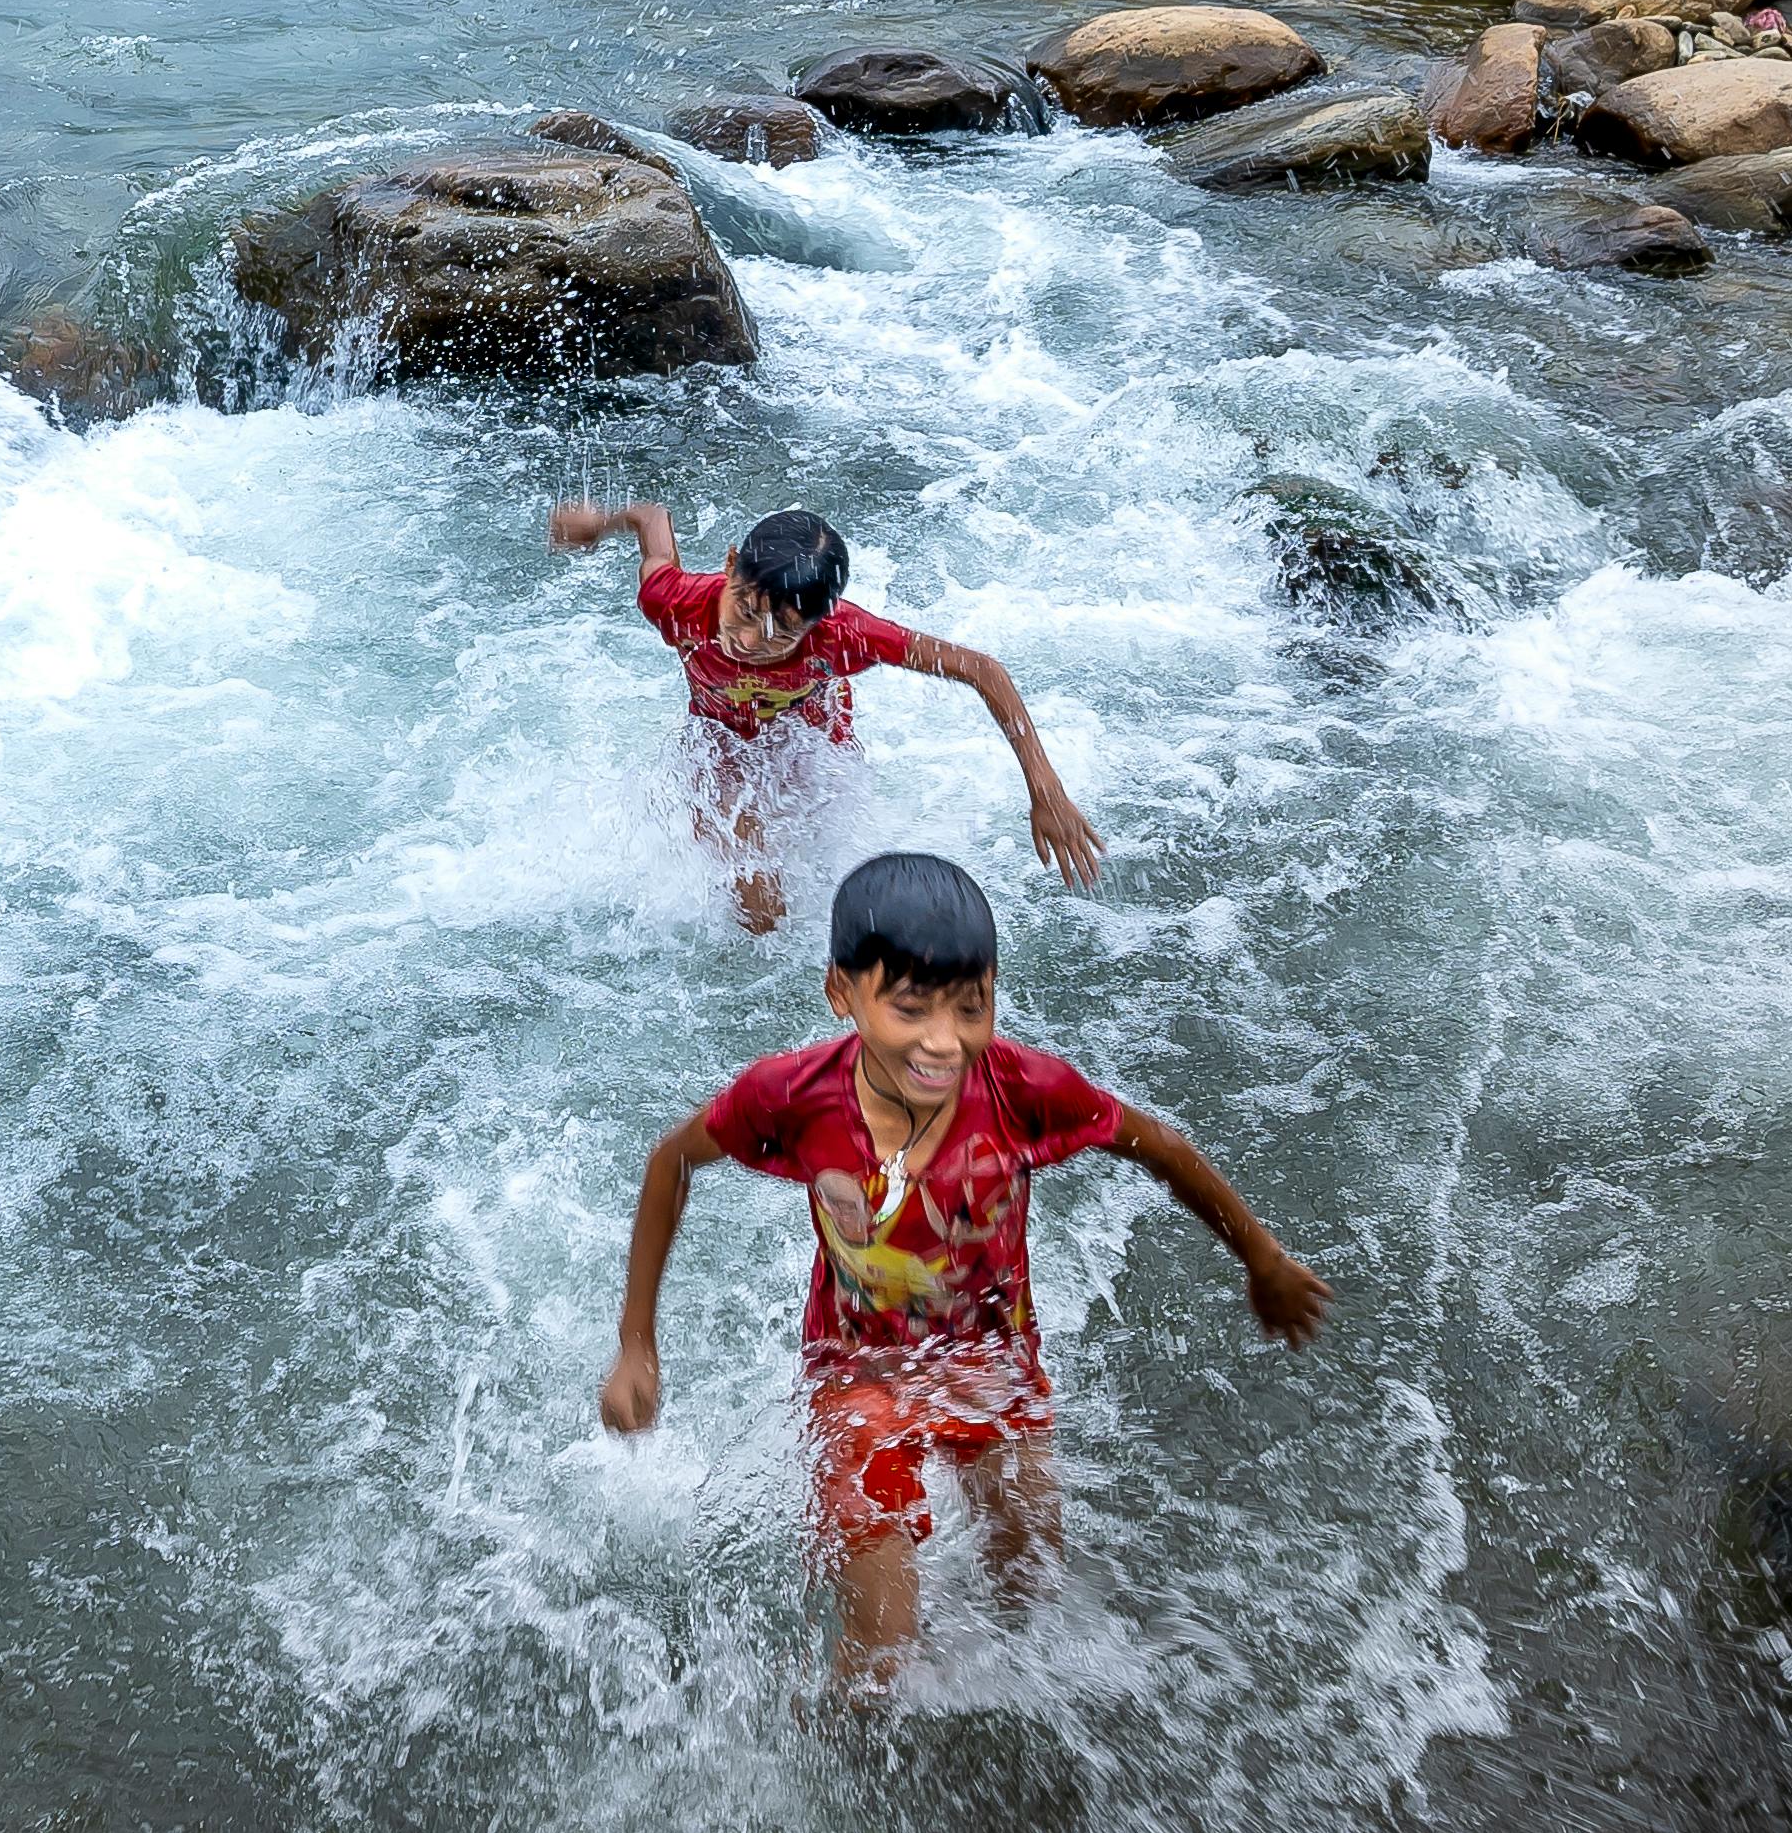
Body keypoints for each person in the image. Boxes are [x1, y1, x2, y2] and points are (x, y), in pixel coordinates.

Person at [600, 849, 1327, 1683]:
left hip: (993, 1365)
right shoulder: (791, 1097)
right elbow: (673, 1161)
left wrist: (1260, 1258)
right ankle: (834, 1754)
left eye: (971, 1007)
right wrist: (636, 1345)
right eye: (911, 1009)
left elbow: (1155, 1144)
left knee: (1027, 1587)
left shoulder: (1022, 1090)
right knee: (881, 1655)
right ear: (844, 994)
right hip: (857, 1371)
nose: (944, 1041)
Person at [546, 496, 1098, 933]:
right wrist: (605, 524)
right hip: (716, 738)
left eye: (782, 632)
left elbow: (984, 670)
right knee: (756, 909)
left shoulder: (844, 637)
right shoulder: (677, 602)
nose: (749, 641)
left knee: (804, 877)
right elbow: (654, 518)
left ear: (819, 623)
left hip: (809, 741)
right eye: (744, 610)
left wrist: (1045, 790)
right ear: (732, 565)